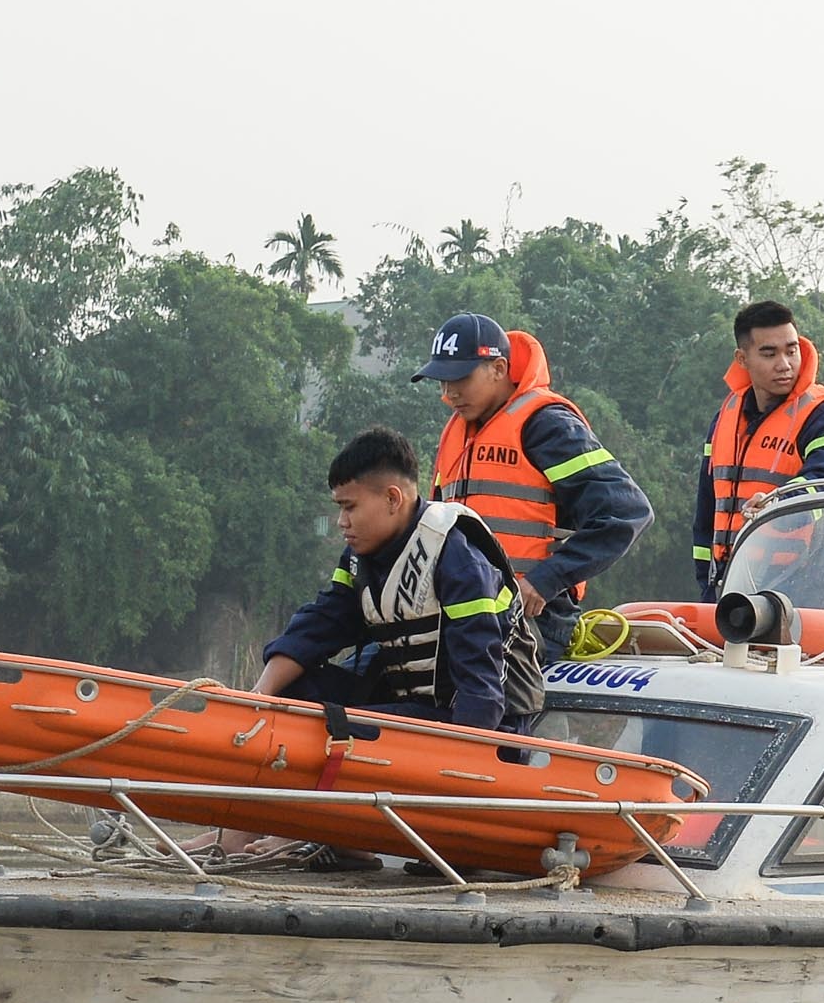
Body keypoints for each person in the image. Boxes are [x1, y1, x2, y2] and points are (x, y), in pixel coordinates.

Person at [255, 426, 544, 733]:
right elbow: (322, 624)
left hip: (488, 722)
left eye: (349, 507)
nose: (342, 522)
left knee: (342, 725)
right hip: (413, 707)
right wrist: (260, 694)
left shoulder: (458, 562)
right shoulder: (358, 556)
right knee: (292, 689)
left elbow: (481, 692)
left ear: (393, 499)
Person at [417, 313, 653, 663]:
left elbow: (627, 513)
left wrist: (546, 580)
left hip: (531, 620)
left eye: (460, 379)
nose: (449, 393)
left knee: (474, 704)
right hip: (461, 613)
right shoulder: (457, 432)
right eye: (442, 382)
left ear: (498, 368)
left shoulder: (547, 425)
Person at [692, 300, 824, 600]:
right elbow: (707, 511)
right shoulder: (725, 418)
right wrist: (705, 587)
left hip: (799, 593)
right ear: (742, 359)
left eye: (791, 350)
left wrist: (776, 504)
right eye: (769, 354)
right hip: (725, 589)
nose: (784, 364)